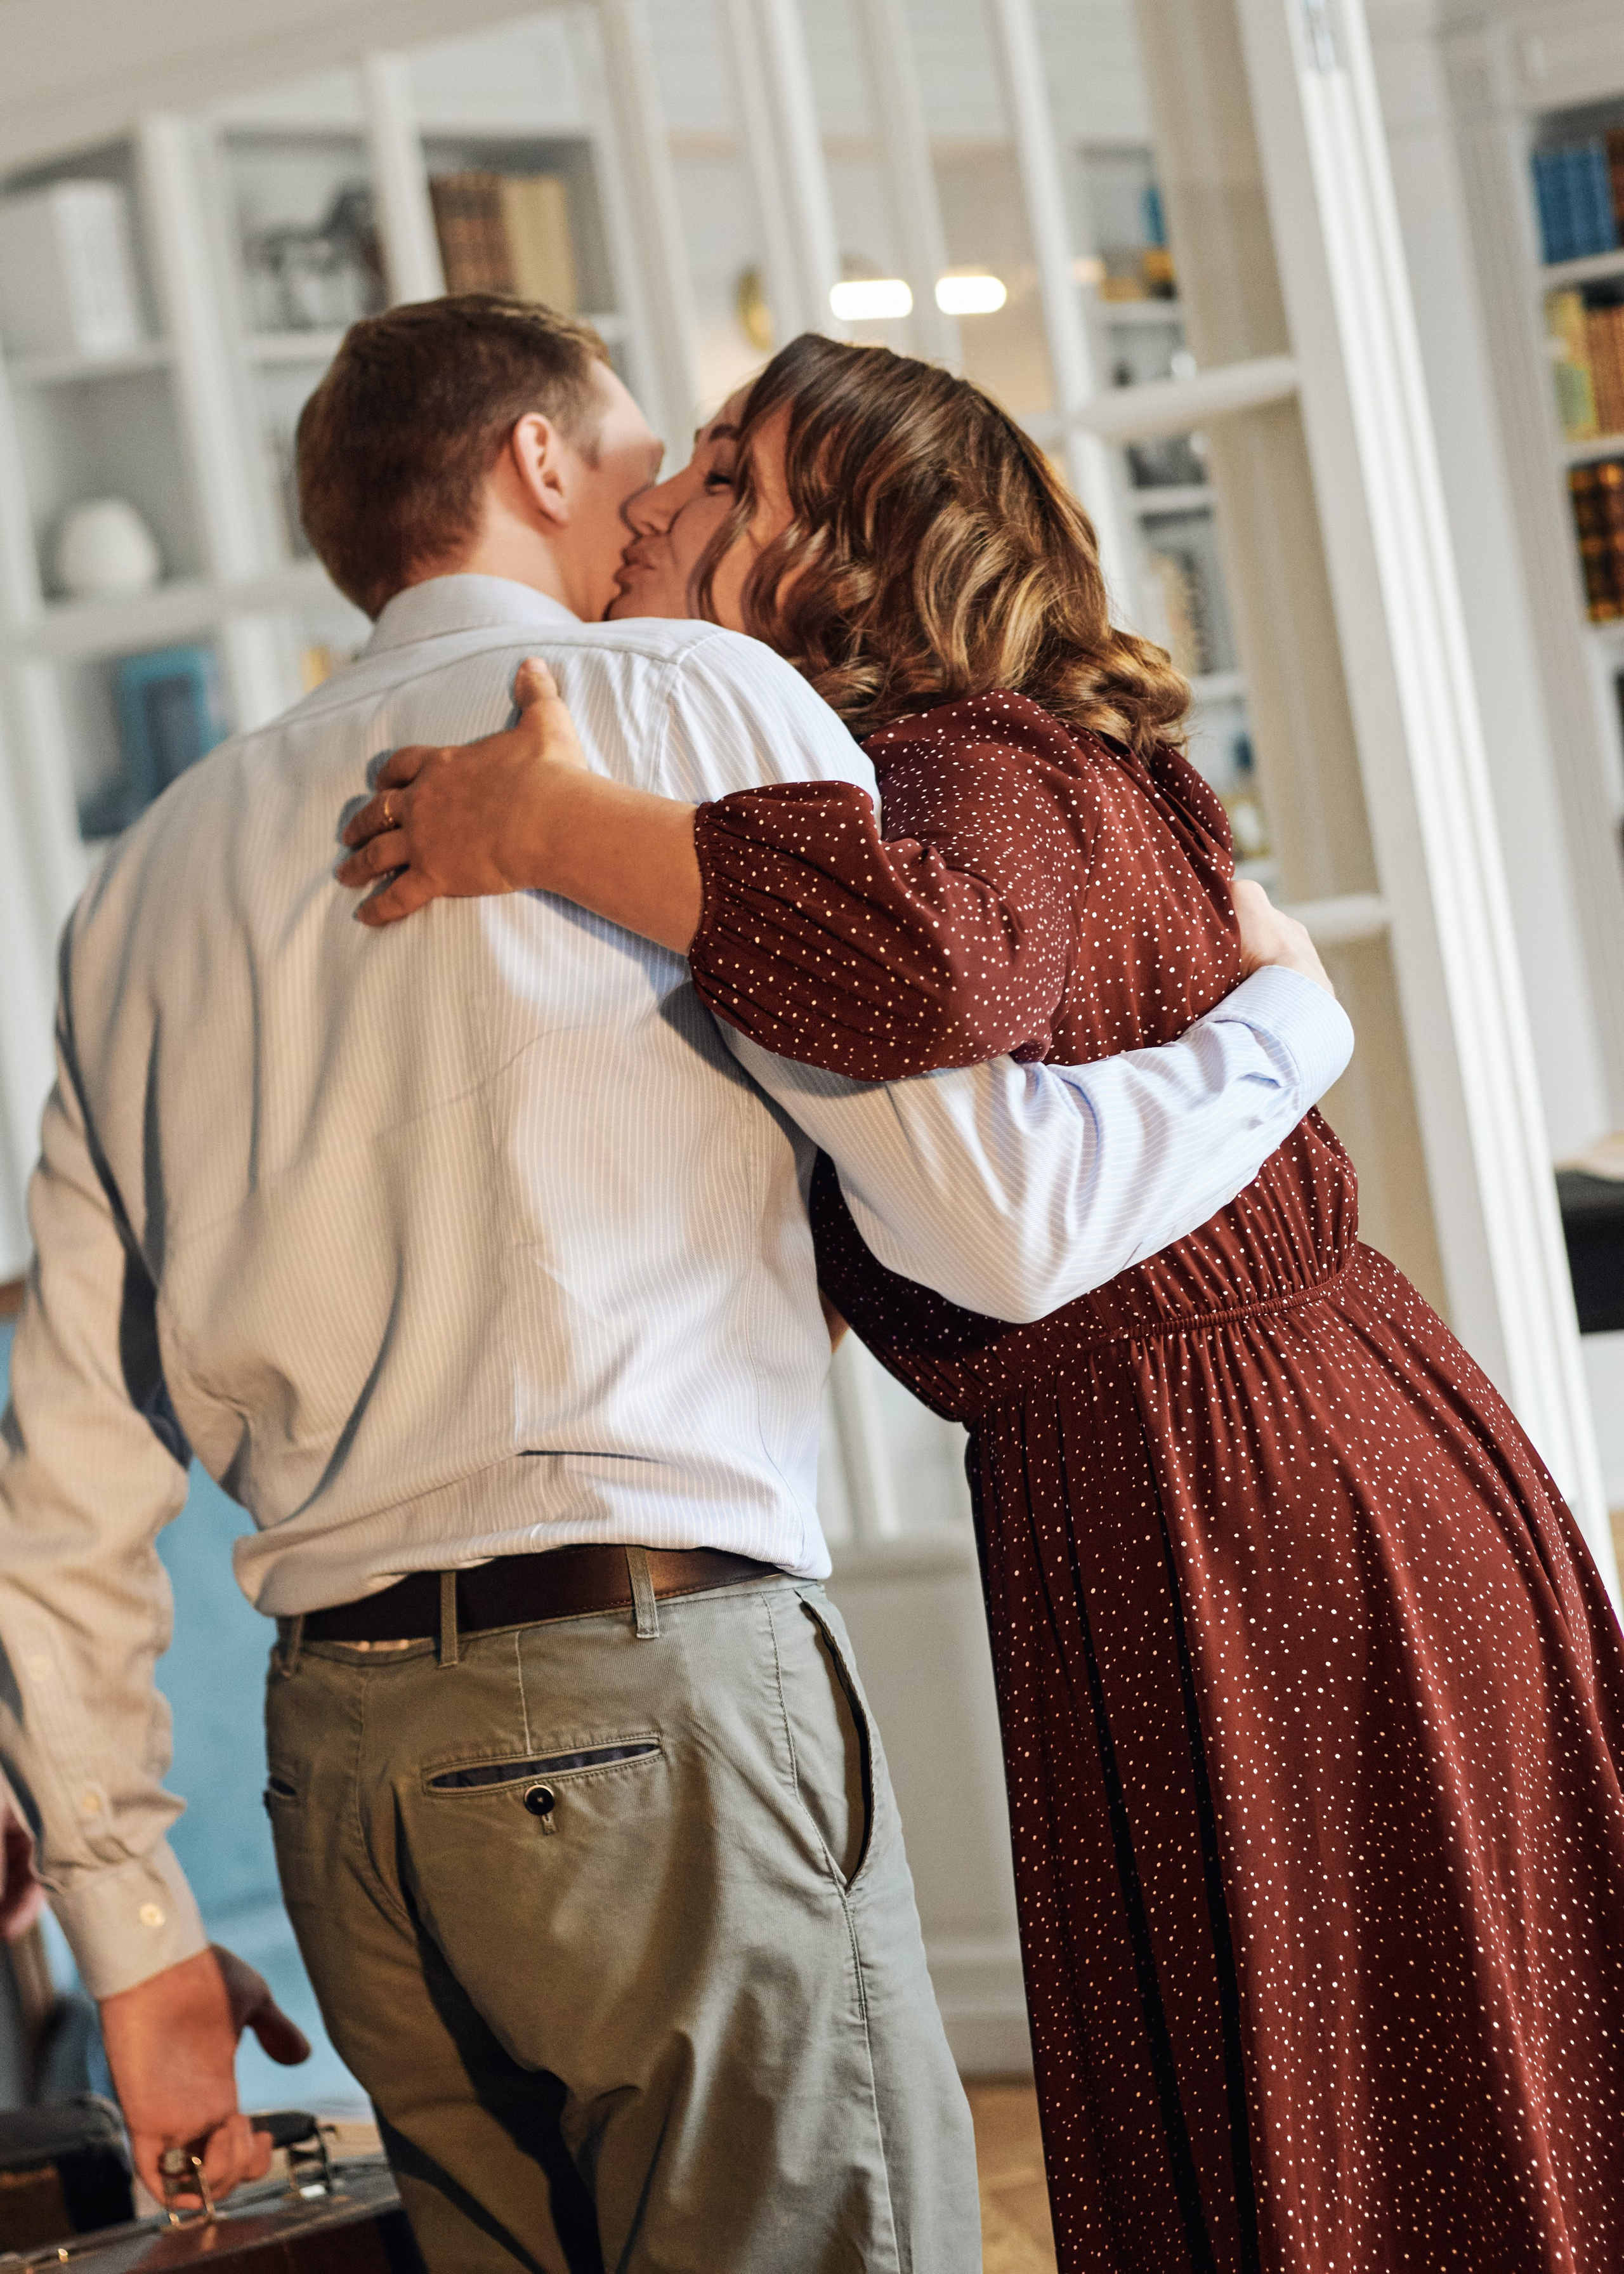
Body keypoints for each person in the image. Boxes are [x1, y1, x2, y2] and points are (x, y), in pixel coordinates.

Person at [0, 299, 1351, 2274]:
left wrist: (134, 1945)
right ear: (539, 461)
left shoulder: (143, 884)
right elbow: (983, 1199)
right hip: (654, 1706)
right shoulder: (696, 700)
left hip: (348, 1785)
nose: (660, 508)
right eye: (654, 459)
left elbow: (62, 1483)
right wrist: (1278, 1038)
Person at [342, 331, 1624, 2274]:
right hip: (1229, 1469)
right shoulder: (978, 769)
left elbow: (925, 987)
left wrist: (547, 828)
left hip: (1249, 1490)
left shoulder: (966, 764)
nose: (664, 501)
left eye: (723, 471)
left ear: (835, 554)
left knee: (1368, 2093)